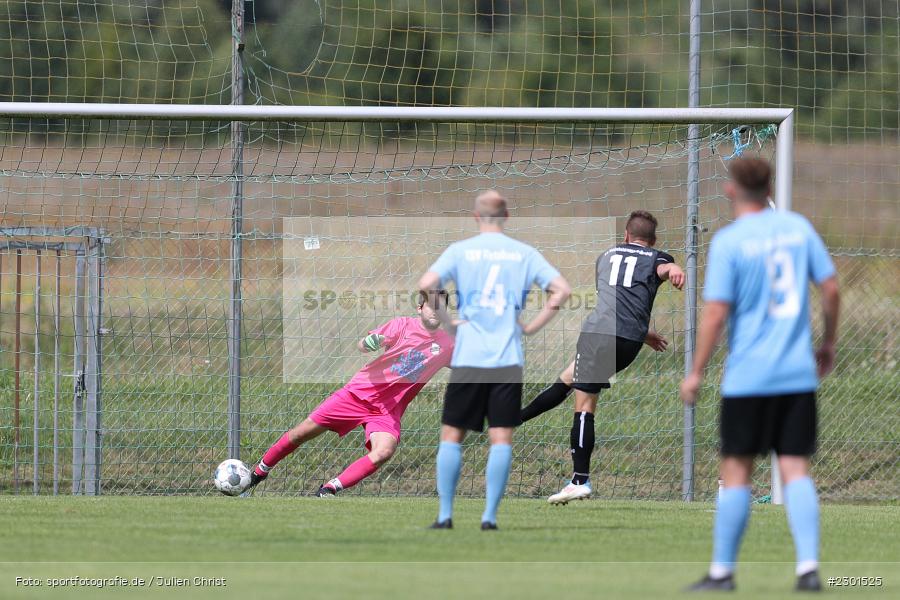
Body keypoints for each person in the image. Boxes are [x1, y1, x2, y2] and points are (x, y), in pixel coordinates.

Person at [680, 157, 840, 592]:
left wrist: (696, 370)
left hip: (748, 378)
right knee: (795, 469)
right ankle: (808, 569)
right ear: (769, 186)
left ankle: (722, 573)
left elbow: (716, 311)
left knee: (736, 472)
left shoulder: (730, 242)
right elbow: (830, 287)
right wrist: (828, 343)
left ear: (731, 191)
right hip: (796, 375)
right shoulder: (798, 228)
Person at [418, 190, 571, 530]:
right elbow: (562, 290)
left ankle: (445, 516)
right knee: (501, 438)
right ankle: (489, 518)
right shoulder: (524, 253)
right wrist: (530, 327)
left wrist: (447, 321)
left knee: (452, 434)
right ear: (507, 216)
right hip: (507, 358)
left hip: (469, 357)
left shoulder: (460, 250)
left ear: (476, 217)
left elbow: (427, 283)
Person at [520, 210, 684, 504]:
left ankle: (579, 480)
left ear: (625, 235)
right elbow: (660, 270)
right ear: (653, 239)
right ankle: (512, 419)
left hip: (598, 335)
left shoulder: (606, 257)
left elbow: (615, 298)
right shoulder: (658, 256)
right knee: (568, 379)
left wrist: (669, 269)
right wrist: (673, 270)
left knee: (584, 405)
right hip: (629, 343)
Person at [243, 291, 454, 497]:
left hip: (386, 411)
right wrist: (369, 342)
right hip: (357, 395)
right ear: (420, 308)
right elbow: (363, 344)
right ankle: (259, 472)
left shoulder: (447, 344)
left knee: (384, 451)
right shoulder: (402, 325)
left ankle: (329, 489)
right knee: (301, 433)